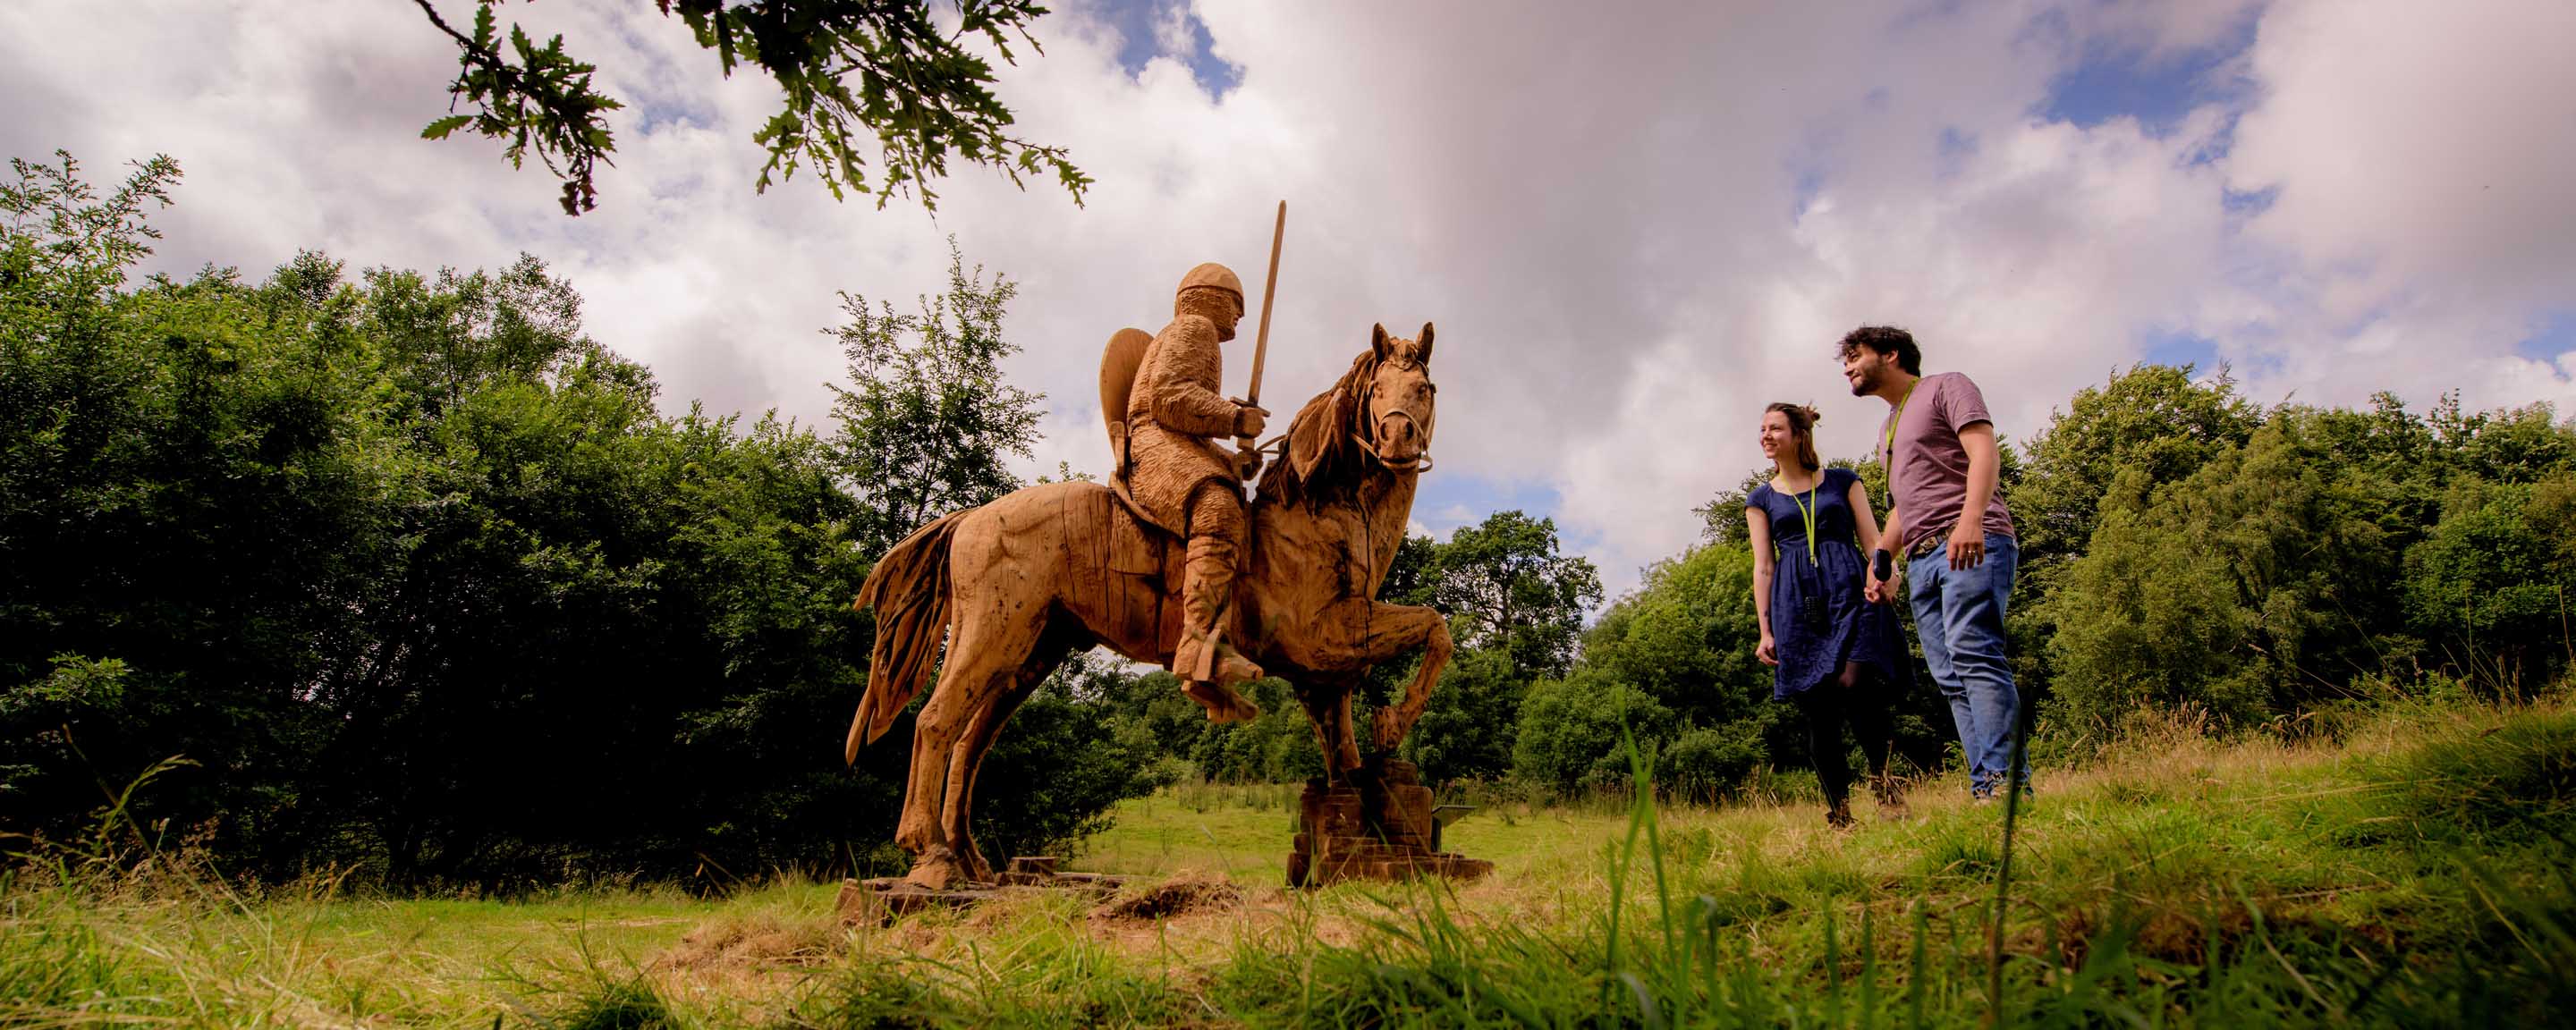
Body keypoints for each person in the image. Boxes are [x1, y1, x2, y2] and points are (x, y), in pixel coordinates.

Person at [1839, 325, 2024, 801]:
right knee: (1949, 675)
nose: (1847, 368)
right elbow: (1904, 504)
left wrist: (1971, 519)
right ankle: (1987, 787)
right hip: (1922, 560)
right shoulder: (1888, 428)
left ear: (1891, 353)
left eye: (1855, 356)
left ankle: (2004, 785)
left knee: (1974, 655)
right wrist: (1882, 557)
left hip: (1967, 542)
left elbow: (1983, 450)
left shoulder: (1947, 386)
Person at [1112, 263, 1271, 723]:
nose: (1240, 317)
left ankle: (1215, 657)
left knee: (1229, 489)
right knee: (1218, 508)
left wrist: (1232, 457)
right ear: (1208, 298)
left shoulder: (1195, 334)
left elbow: (1190, 425)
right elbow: (1168, 398)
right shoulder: (1195, 329)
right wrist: (1232, 418)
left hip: (1176, 441)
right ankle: (1200, 647)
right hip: (1151, 441)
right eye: (1236, 305)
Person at [1744, 402, 1912, 828]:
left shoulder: (1842, 481)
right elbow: (1763, 566)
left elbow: (1874, 538)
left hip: (1853, 591)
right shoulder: (1761, 499)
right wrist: (1765, 629)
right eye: (1762, 429)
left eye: (1775, 428)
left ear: (1800, 434)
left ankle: (1887, 790)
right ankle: (1839, 814)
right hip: (1797, 604)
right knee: (1818, 707)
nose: (1765, 435)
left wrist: (1888, 576)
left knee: (1856, 685)